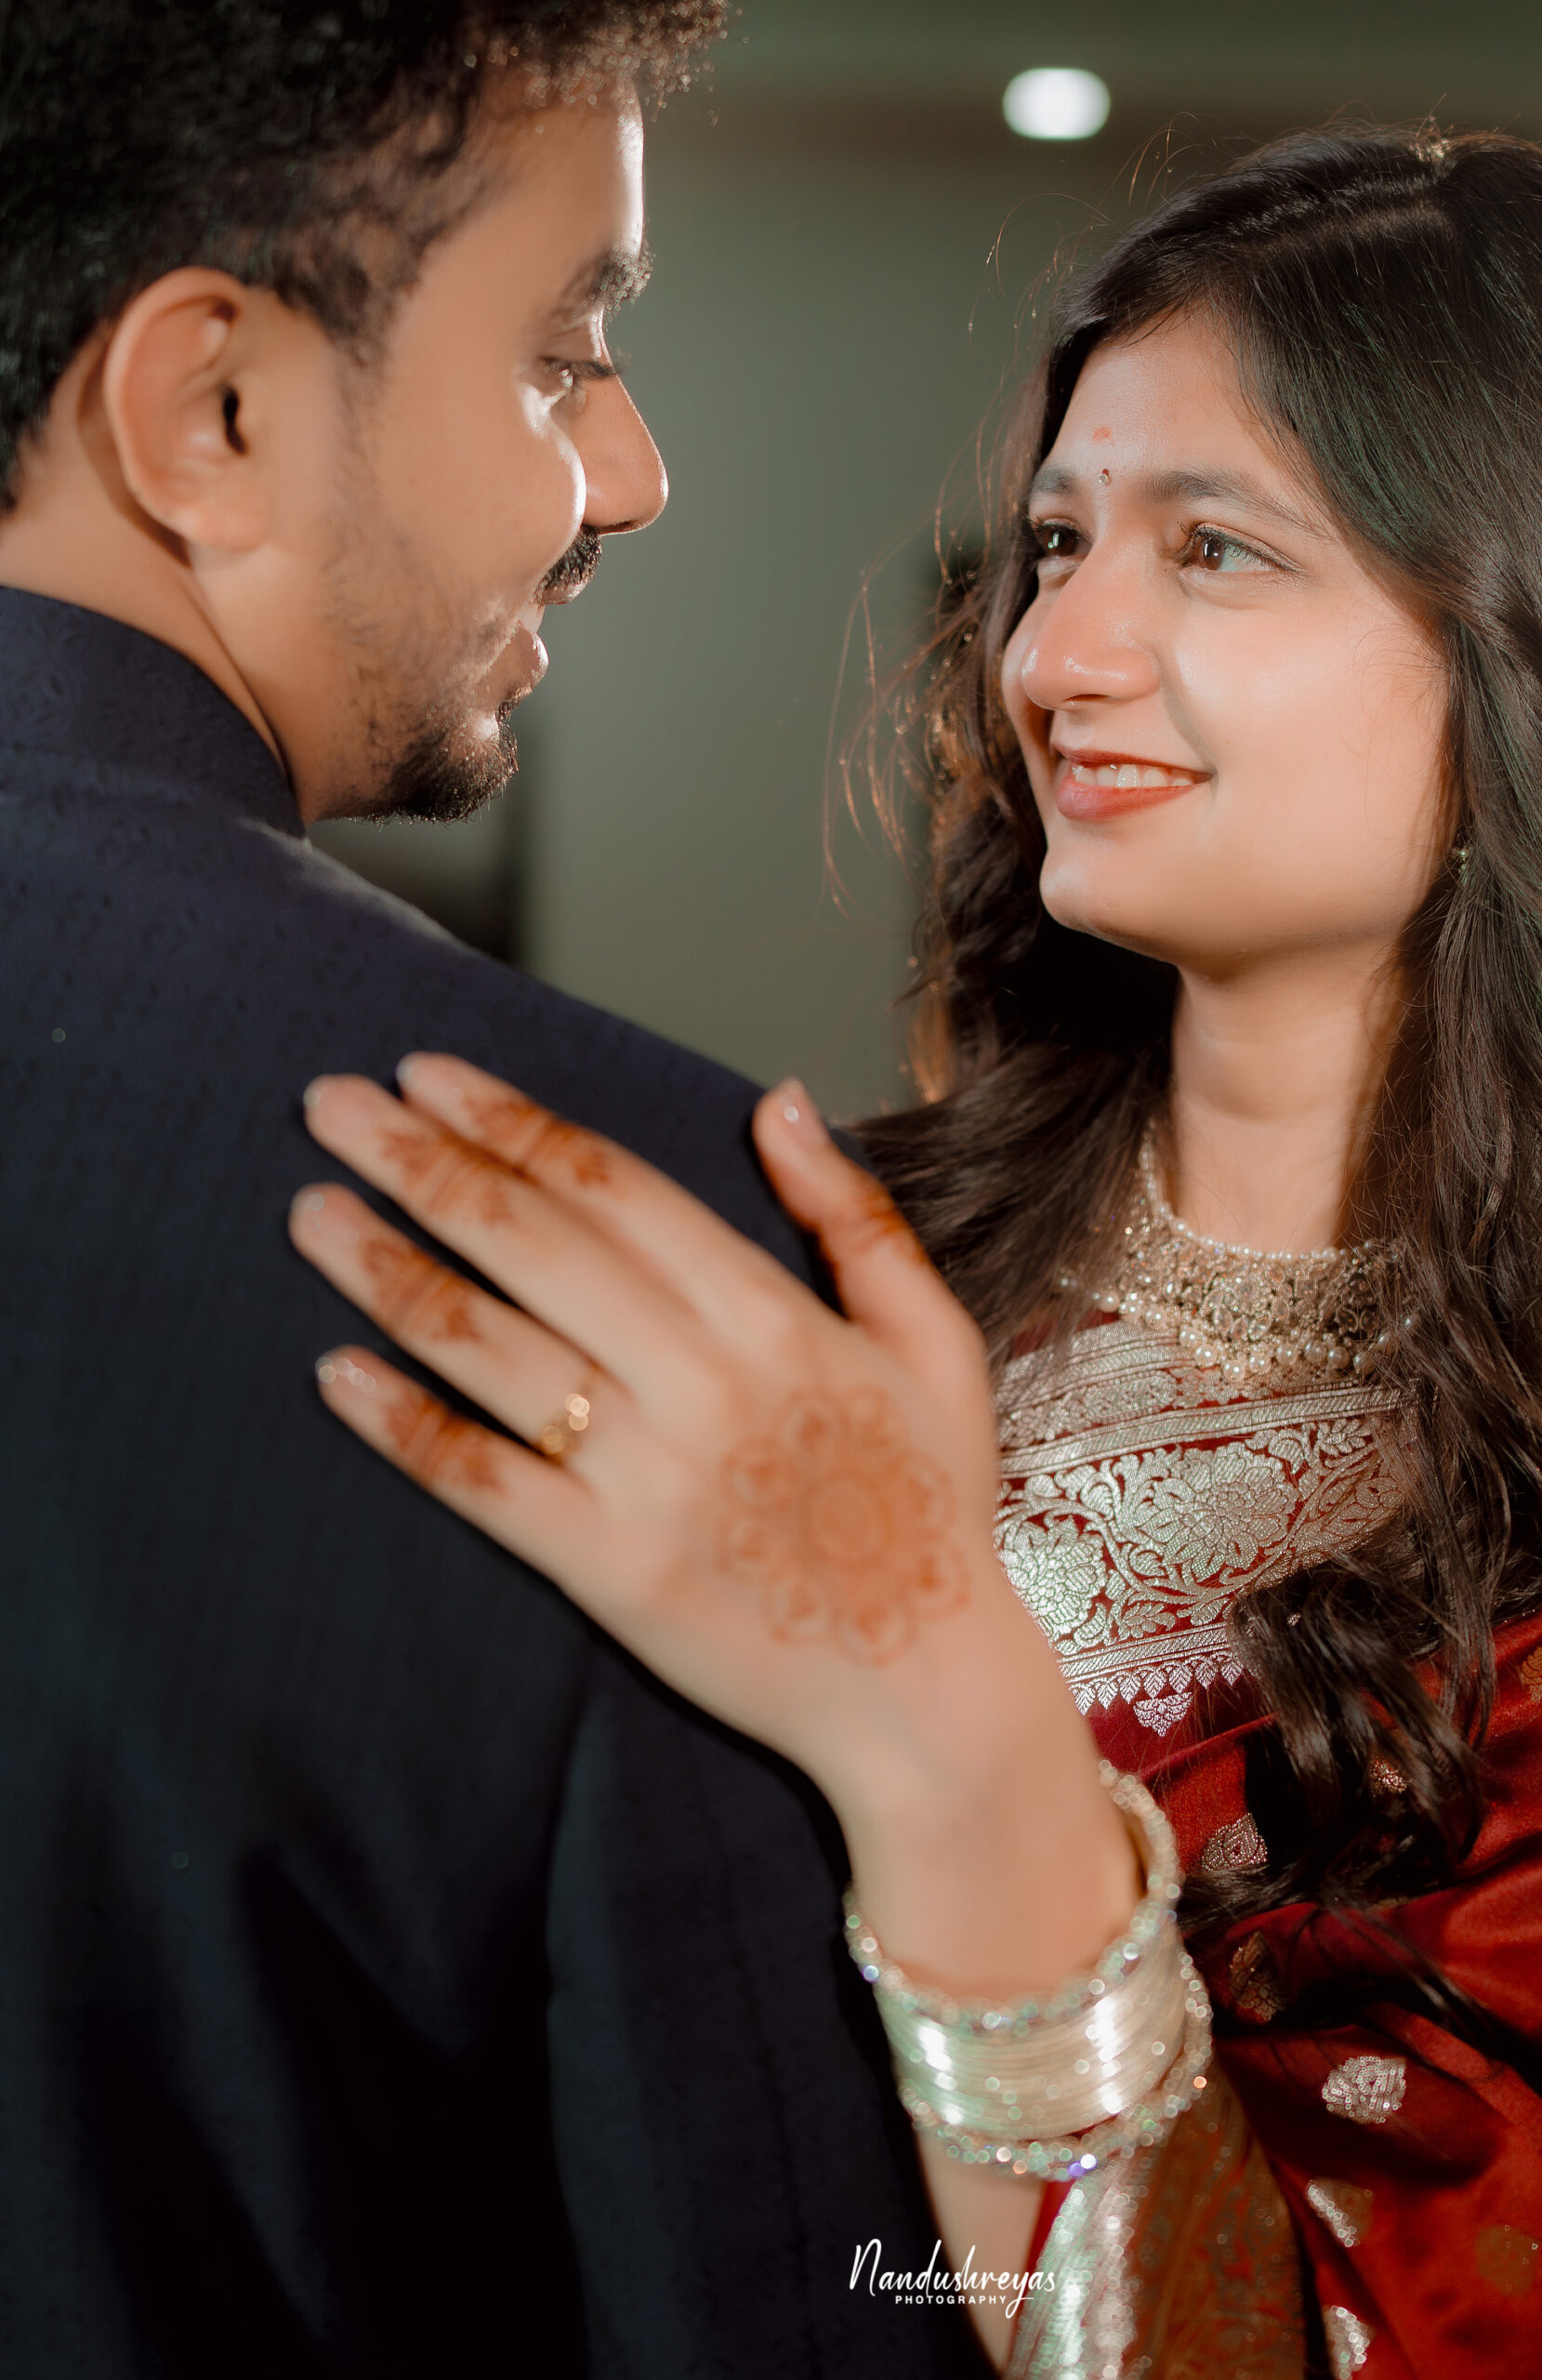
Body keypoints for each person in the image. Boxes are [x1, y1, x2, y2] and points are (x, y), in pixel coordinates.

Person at [283, 127, 1542, 2377]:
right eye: (1058, 542)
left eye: (1215, 548)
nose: (1054, 651)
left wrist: (935, 1706)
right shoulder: (818, 1252)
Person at [0, 6, 979, 2372]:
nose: (629, 473)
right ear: (210, 410)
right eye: (563, 354)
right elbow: (798, 2307)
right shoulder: (596, 1239)